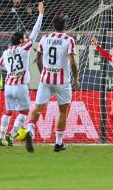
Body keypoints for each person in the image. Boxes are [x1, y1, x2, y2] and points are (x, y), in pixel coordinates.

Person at [25, 16, 80, 153]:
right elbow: (72, 62)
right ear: (65, 26)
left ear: (53, 26)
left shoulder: (44, 38)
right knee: (62, 111)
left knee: (38, 108)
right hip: (62, 82)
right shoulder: (69, 40)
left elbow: (38, 59)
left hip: (46, 80)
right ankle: (58, 143)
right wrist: (76, 79)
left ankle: (30, 131)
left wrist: (43, 73)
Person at [0, 2, 44, 146]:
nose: (26, 39)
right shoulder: (24, 48)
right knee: (24, 112)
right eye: (23, 38)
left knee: (8, 111)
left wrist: (12, 69)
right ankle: (11, 135)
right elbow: (35, 33)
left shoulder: (6, 52)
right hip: (20, 85)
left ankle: (1, 137)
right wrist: (41, 14)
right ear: (19, 41)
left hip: (8, 85)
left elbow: (0, 65)